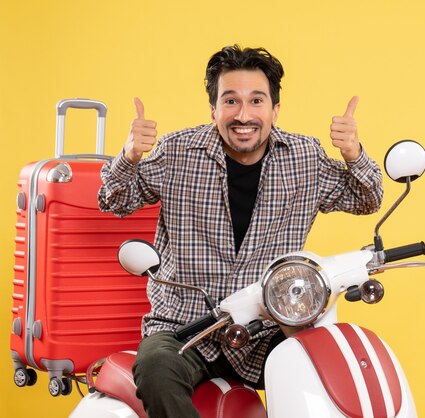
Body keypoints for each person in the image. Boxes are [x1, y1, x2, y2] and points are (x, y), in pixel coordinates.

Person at [98, 45, 383, 417]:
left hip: (264, 329)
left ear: (274, 110)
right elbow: (113, 200)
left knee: (328, 359)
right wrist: (130, 155)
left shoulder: (304, 157)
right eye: (230, 101)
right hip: (184, 327)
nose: (243, 115)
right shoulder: (178, 151)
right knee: (154, 367)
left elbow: (368, 198)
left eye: (256, 101)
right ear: (213, 109)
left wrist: (353, 152)